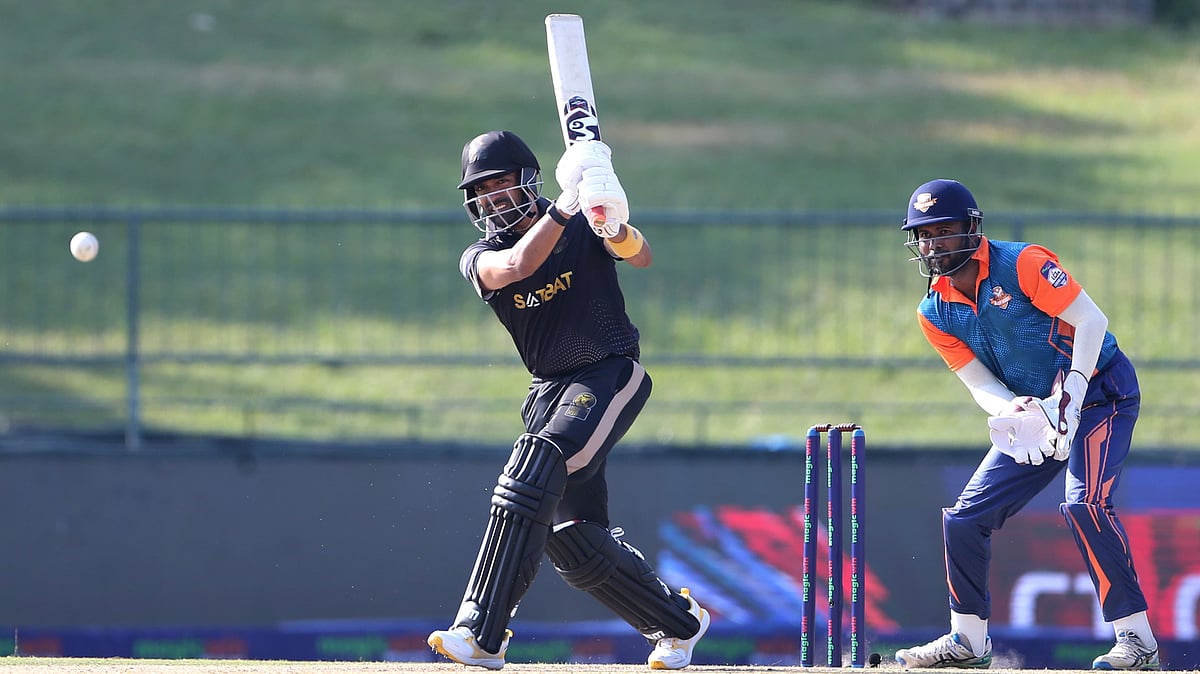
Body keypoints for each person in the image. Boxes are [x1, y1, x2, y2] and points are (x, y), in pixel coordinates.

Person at [426, 130, 710, 671]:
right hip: (548, 391)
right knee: (573, 540)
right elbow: (517, 269)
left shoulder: (580, 223)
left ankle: (481, 631)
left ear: (528, 179)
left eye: (501, 183)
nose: (491, 199)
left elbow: (641, 255)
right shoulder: (481, 256)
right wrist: (566, 205)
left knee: (538, 464)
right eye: (480, 191)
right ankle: (679, 623)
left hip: (607, 372)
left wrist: (612, 224)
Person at [892, 179, 1159, 671]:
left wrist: (1073, 393)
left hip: (1102, 392)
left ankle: (1137, 642)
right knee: (965, 518)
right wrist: (1012, 411)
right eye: (924, 235)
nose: (933, 244)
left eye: (945, 231)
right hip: (1035, 410)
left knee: (1085, 505)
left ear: (973, 228)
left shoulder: (1024, 264)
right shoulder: (934, 310)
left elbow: (1091, 321)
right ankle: (969, 641)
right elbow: (977, 382)